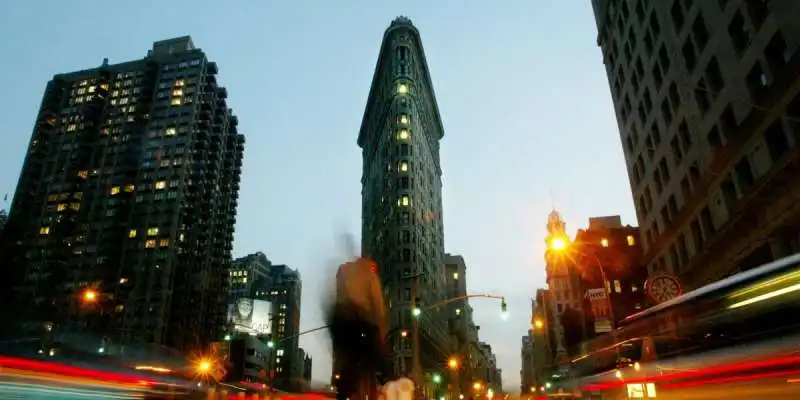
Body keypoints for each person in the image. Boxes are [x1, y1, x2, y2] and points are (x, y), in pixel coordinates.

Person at [328, 257, 391, 400]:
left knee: (347, 357)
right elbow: (378, 305)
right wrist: (381, 332)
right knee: (377, 353)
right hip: (359, 319)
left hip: (340, 319)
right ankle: (385, 380)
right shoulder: (370, 275)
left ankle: (343, 390)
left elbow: (335, 296)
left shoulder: (343, 271)